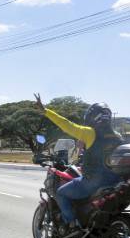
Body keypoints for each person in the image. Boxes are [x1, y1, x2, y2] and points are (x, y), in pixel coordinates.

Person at [34, 94, 123, 230]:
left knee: (61, 192)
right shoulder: (118, 136)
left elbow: (66, 124)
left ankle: (71, 223)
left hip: (93, 182)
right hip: (115, 182)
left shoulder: (90, 133)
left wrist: (46, 111)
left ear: (93, 117)